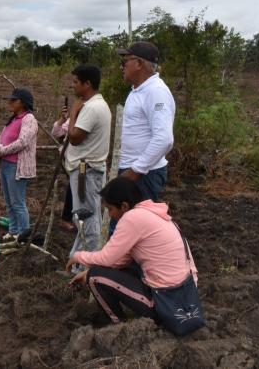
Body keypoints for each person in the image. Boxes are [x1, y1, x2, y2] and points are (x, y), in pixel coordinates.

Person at [67, 177, 199, 326]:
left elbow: (106, 258)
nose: (110, 215)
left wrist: (77, 256)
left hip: (166, 303)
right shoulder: (151, 212)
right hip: (185, 296)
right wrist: (88, 270)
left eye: (110, 209)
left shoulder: (132, 218)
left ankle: (117, 325)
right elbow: (121, 260)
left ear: (124, 206)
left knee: (95, 277)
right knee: (119, 268)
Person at [114, 41, 175, 235]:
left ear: (139, 63)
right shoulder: (138, 90)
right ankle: (119, 265)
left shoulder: (155, 91)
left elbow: (164, 138)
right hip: (133, 170)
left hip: (143, 174)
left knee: (134, 232)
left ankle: (133, 266)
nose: (121, 66)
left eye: (125, 61)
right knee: (124, 228)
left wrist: (135, 170)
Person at [65, 65, 112, 268]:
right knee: (83, 218)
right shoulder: (97, 105)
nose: (72, 85)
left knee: (87, 220)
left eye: (76, 81)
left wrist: (74, 113)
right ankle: (77, 263)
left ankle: (87, 267)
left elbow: (74, 137)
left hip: (86, 171)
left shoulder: (91, 107)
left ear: (87, 84)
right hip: (88, 170)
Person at [0, 88, 38, 239]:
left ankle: (24, 234)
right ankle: (14, 230)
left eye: (13, 100)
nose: (10, 102)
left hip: (17, 166)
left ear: (22, 103)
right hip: (6, 164)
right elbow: (2, 138)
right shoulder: (14, 119)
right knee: (9, 202)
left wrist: (0, 152)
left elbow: (22, 142)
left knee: (18, 202)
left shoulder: (29, 119)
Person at [52, 103, 75, 232]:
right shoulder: (72, 121)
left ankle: (69, 218)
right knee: (73, 189)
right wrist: (63, 119)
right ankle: (67, 219)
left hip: (79, 161)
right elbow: (55, 132)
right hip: (69, 160)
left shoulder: (82, 119)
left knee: (75, 189)